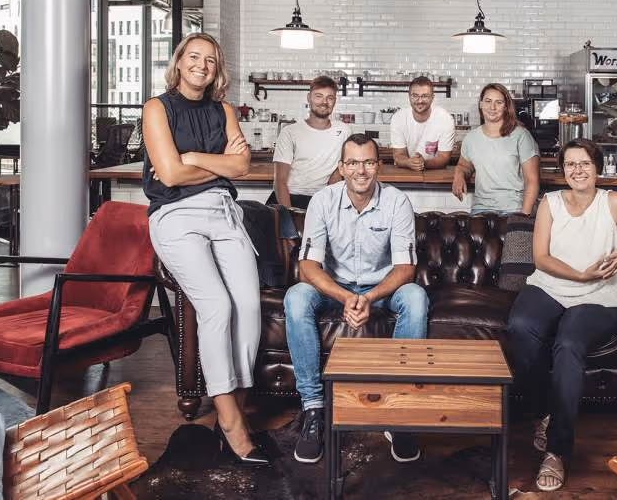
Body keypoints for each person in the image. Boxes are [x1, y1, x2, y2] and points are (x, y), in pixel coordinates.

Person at [506, 138, 617, 491]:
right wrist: (579, 273)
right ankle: (544, 412)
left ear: (597, 168)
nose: (578, 170)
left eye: (584, 164)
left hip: (597, 297)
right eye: (570, 164)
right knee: (520, 326)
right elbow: (541, 259)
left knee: (568, 343)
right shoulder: (549, 203)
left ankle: (558, 450)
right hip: (550, 286)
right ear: (562, 169)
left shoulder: (612, 202)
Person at [142, 32, 269, 466]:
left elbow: (242, 166)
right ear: (179, 63)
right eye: (193, 57)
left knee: (249, 305)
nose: (201, 65)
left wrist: (191, 156)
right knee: (216, 306)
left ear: (218, 70)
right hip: (175, 217)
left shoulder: (224, 110)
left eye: (210, 60)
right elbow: (170, 178)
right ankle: (231, 420)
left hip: (223, 210)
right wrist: (212, 166)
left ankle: (237, 395)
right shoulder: (156, 108)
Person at [283, 133, 429, 465]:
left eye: (367, 162)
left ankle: (398, 407)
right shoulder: (322, 201)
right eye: (352, 163)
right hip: (335, 290)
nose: (360, 171)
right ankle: (313, 408)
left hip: (382, 291)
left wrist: (370, 296)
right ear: (342, 167)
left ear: (378, 166)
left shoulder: (397, 202)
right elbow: (308, 266)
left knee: (416, 297)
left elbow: (405, 268)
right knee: (296, 297)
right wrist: (346, 296)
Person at [452, 83, 540, 215]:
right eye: (488, 101)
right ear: (481, 104)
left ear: (506, 107)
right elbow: (464, 165)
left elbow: (532, 181)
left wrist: (523, 217)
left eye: (498, 102)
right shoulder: (471, 138)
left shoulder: (521, 136)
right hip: (481, 208)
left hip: (513, 209)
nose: (492, 107)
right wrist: (459, 175)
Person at [268, 76, 351, 209]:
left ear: (335, 101)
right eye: (318, 96)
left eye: (330, 98)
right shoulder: (290, 132)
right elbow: (280, 181)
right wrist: (289, 216)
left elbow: (349, 162)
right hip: (291, 197)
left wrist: (336, 171)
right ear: (308, 98)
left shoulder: (343, 130)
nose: (324, 102)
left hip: (323, 199)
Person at [390, 76, 456, 171]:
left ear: (432, 98)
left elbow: (444, 157)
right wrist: (408, 162)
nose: (420, 101)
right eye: (415, 96)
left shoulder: (445, 119)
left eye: (424, 96)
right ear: (409, 97)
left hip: (434, 173)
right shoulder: (398, 118)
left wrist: (424, 163)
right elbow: (398, 155)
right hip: (405, 172)